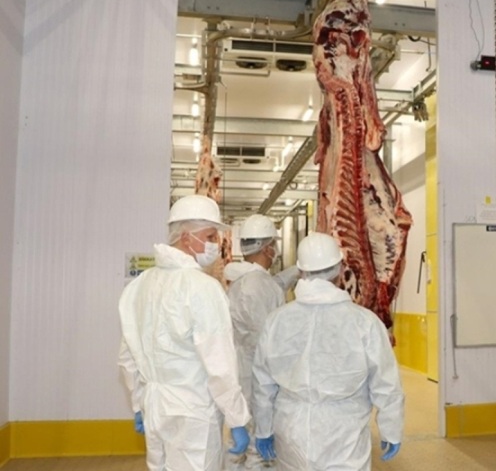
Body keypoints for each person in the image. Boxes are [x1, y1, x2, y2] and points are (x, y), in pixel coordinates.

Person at [118, 194, 250, 471]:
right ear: (188, 238)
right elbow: (220, 365)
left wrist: (138, 403)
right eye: (211, 236)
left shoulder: (139, 285)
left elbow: (128, 355)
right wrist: (237, 418)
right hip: (194, 412)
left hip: (156, 407)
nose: (216, 244)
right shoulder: (203, 288)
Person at [252, 232, 404, 470]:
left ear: (301, 272)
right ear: (340, 268)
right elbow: (385, 383)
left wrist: (263, 428)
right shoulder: (364, 322)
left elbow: (263, 383)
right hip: (344, 433)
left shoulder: (277, 320)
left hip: (292, 428)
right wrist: (391, 429)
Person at [226, 215, 291, 470]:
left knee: (250, 437)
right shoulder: (256, 285)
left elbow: (272, 286)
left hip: (245, 368)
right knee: (259, 445)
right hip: (258, 372)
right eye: (273, 244)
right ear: (267, 248)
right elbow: (268, 338)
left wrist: (296, 271)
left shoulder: (246, 280)